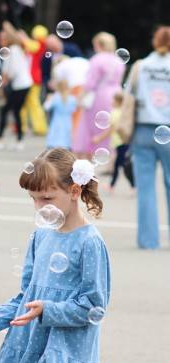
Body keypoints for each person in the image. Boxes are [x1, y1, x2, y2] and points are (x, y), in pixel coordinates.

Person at [0, 148, 110, 363]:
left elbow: (94, 306)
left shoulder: (89, 242)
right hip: (26, 348)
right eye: (34, 199)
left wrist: (49, 310)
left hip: (61, 355)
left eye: (47, 198)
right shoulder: (41, 234)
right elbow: (25, 298)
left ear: (74, 191)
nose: (39, 206)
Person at [127, 26, 170, 249]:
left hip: (143, 129)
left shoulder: (140, 66)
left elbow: (128, 96)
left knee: (145, 188)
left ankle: (148, 240)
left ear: (155, 41)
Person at [74, 32, 125, 158]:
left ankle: (88, 155)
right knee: (112, 124)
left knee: (90, 126)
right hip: (117, 94)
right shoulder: (118, 60)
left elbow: (90, 83)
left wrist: (80, 96)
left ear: (99, 44)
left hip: (100, 95)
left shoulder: (97, 59)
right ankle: (112, 156)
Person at [0, 24, 33, 150]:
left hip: (21, 85)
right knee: (14, 112)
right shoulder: (14, 49)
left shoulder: (14, 50)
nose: (0, 41)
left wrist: (4, 82)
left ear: (8, 39)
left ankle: (3, 139)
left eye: (2, 38)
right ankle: (17, 139)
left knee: (8, 111)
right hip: (21, 85)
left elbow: (12, 71)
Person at [92, 92, 134, 192]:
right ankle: (116, 186)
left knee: (122, 165)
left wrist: (99, 138)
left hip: (120, 143)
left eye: (113, 100)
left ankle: (131, 186)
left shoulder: (114, 113)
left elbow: (110, 130)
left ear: (118, 102)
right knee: (121, 164)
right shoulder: (122, 113)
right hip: (123, 142)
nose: (111, 102)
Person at [19, 24, 49, 136]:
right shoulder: (38, 44)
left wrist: (22, 36)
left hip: (33, 79)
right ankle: (22, 126)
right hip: (30, 78)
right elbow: (28, 44)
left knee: (33, 103)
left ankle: (39, 128)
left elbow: (28, 44)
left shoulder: (40, 45)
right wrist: (23, 37)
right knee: (26, 104)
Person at [44, 79, 76, 149]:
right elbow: (74, 110)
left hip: (57, 122)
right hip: (68, 122)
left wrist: (48, 99)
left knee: (55, 139)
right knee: (66, 139)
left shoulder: (54, 97)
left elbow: (46, 107)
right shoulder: (72, 99)